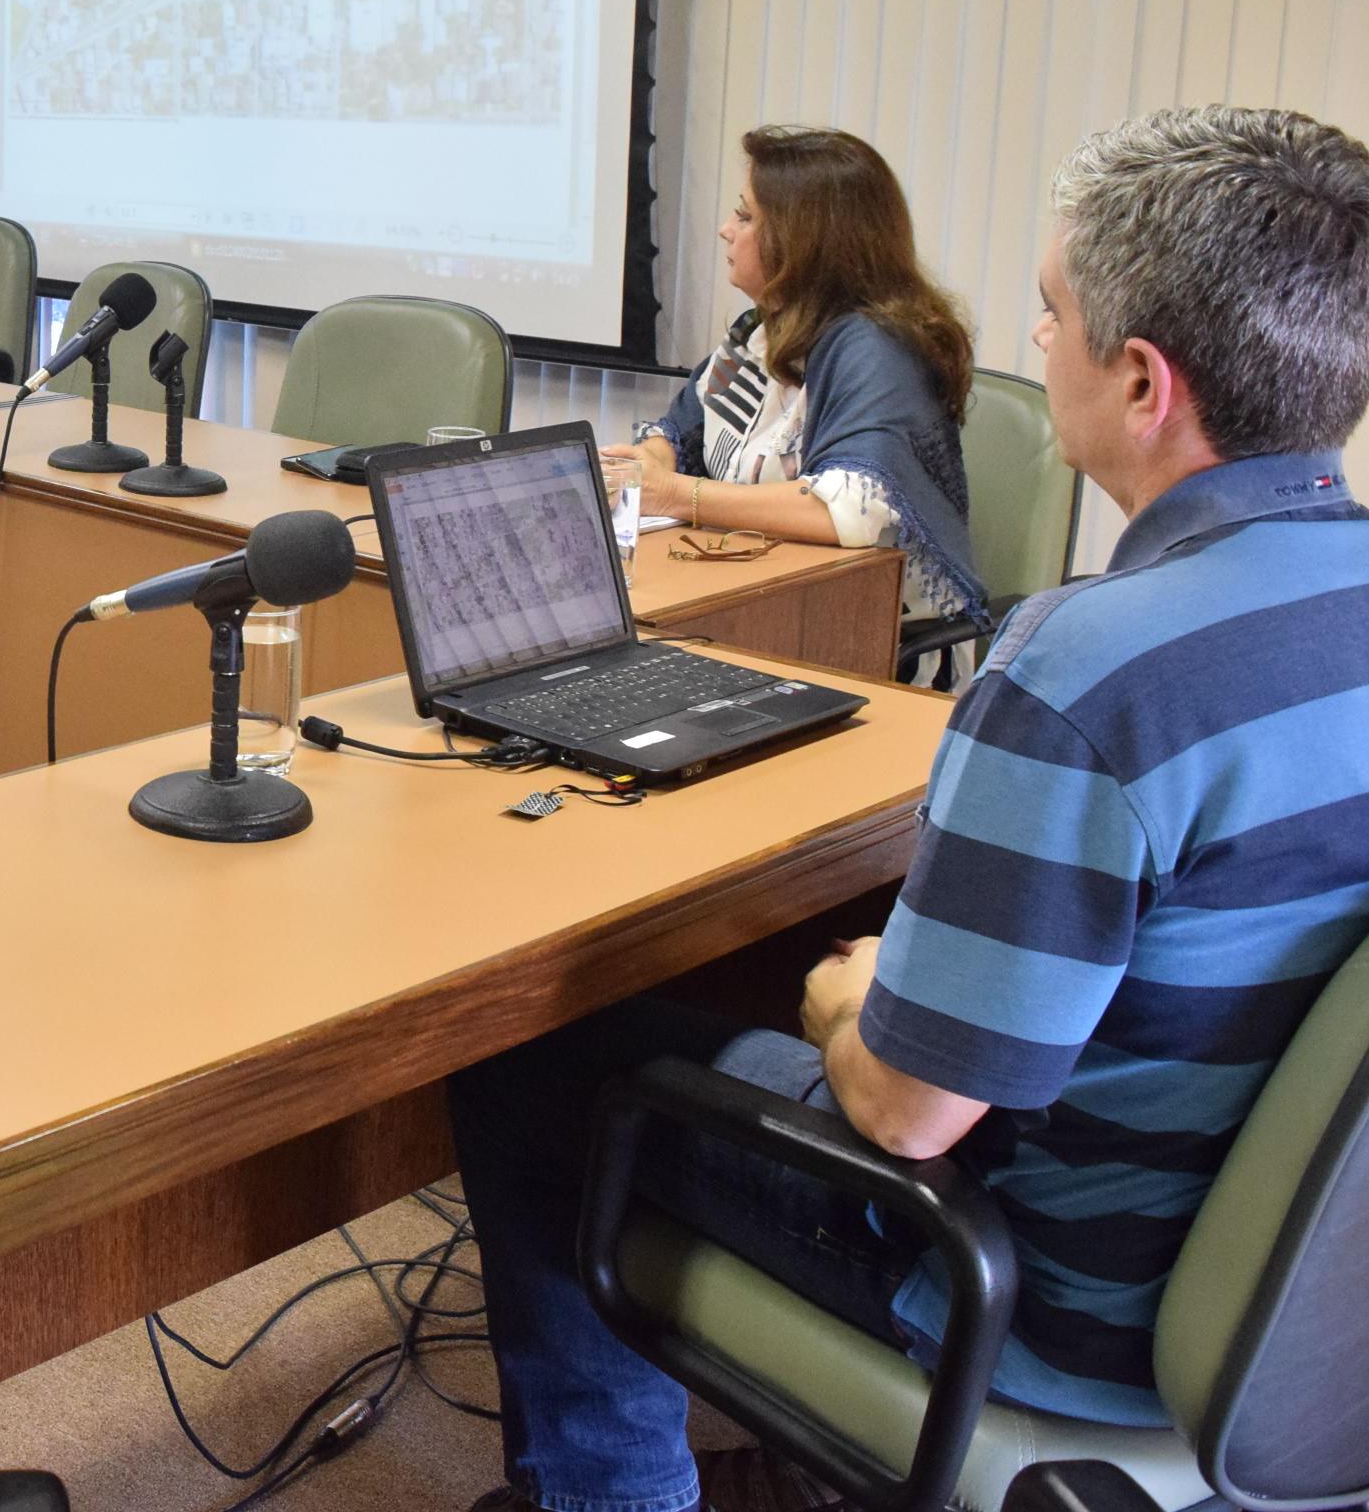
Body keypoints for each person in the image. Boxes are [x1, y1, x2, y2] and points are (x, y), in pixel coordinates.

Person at [452, 105, 1369, 1512]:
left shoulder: (1087, 674)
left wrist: (845, 994)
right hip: (1311, 1336)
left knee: (534, 1047)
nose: (1031, 349)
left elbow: (902, 1115)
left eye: (1051, 317)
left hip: (1035, 1308)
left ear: (1142, 383)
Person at [618, 126, 988, 685]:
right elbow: (680, 429)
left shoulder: (876, 346)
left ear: (801, 241)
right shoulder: (765, 328)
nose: (726, 229)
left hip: (872, 645)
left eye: (745, 218)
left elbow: (848, 511)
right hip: (762, 609)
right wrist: (652, 458)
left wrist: (674, 493)